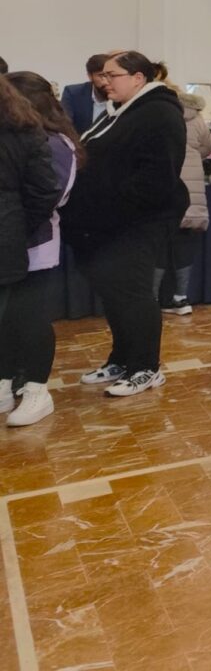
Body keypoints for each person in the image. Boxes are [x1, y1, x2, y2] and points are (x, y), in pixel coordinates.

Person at [61, 51, 188, 397]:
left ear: (138, 78)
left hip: (138, 221)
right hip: (111, 222)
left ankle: (146, 367)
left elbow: (156, 178)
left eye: (112, 75)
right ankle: (122, 358)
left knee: (133, 293)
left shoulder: (159, 112)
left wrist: (104, 207)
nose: (104, 82)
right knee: (114, 292)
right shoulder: (121, 109)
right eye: (103, 75)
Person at [0, 75, 63, 426]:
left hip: (19, 238)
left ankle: (37, 390)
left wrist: (16, 225)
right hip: (14, 235)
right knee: (9, 320)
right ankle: (4, 382)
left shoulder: (24, 132)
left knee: (28, 317)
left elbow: (46, 191)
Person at [158, 82, 211, 316]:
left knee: (158, 244)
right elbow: (207, 147)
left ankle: (152, 299)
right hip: (191, 190)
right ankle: (181, 298)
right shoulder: (197, 118)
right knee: (184, 244)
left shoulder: (157, 115)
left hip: (165, 183)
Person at [60, 53, 114, 134]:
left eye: (111, 75)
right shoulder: (73, 93)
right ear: (90, 76)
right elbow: (65, 126)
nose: (107, 81)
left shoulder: (121, 95)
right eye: (101, 75)